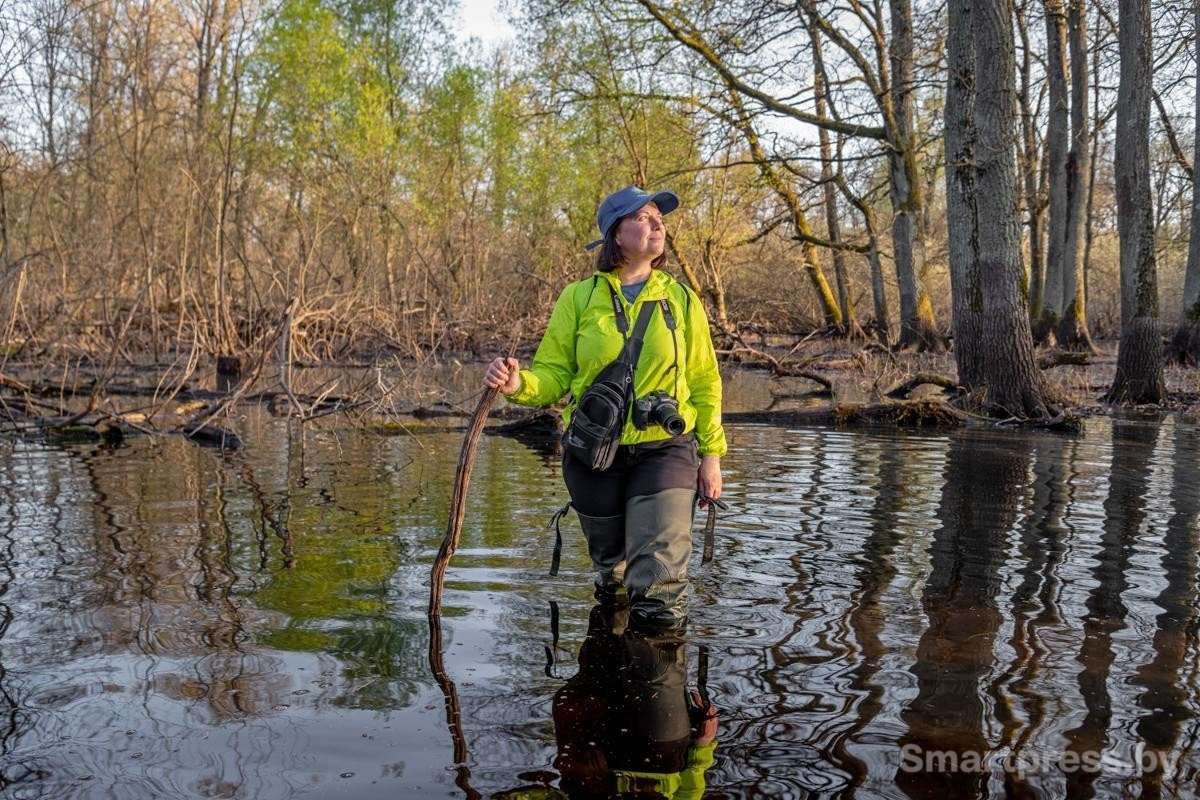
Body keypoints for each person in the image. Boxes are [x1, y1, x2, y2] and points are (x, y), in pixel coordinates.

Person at [484, 184, 727, 630]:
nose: (658, 224)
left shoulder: (682, 300)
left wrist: (711, 455)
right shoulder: (578, 299)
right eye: (644, 216)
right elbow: (555, 376)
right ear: (615, 233)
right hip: (594, 455)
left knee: (659, 590)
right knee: (611, 578)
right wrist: (517, 383)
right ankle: (611, 671)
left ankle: (658, 686)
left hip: (666, 450)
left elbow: (704, 381)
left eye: (660, 217)